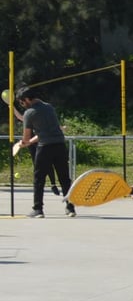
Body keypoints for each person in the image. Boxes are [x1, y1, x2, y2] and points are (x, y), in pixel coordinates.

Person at [13, 87, 75, 218]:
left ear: (27, 99)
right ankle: (70, 208)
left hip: (45, 147)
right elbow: (44, 132)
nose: (22, 105)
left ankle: (38, 209)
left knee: (39, 178)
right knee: (64, 178)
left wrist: (23, 143)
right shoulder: (49, 107)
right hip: (59, 145)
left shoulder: (29, 113)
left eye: (21, 102)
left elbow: (26, 137)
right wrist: (28, 142)